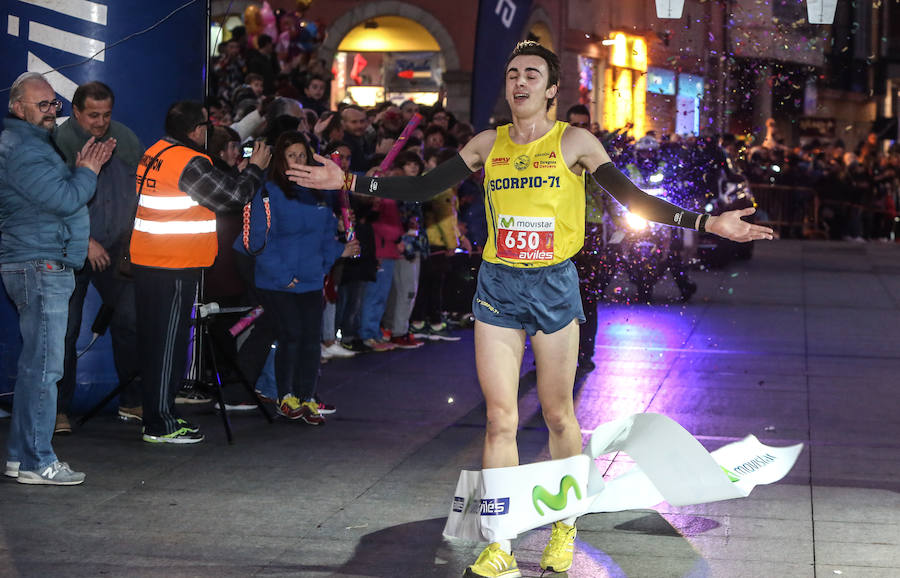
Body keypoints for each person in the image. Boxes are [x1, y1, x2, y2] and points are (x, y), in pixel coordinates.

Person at [287, 41, 773, 577]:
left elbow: (632, 200)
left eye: (531, 75)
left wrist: (708, 223)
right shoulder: (486, 144)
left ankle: (563, 523)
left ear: (551, 89)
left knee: (560, 414)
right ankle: (499, 541)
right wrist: (350, 180)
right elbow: (425, 185)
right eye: (513, 73)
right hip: (498, 285)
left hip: (553, 286)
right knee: (500, 420)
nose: (519, 82)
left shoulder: (576, 142)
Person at [130, 100, 271, 444]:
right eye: (207, 127)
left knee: (157, 343)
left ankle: (160, 415)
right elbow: (234, 197)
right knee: (168, 346)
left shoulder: (158, 150)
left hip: (151, 260)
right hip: (173, 264)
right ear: (197, 131)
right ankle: (160, 423)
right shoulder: (188, 162)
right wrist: (254, 168)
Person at [0, 72, 115, 484]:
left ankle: (20, 455)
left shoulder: (26, 145)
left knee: (37, 366)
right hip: (40, 263)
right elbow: (66, 198)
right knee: (45, 369)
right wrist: (86, 170)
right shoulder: (25, 150)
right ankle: (37, 460)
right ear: (18, 108)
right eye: (43, 104)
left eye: (54, 104)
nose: (53, 111)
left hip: (38, 259)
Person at [241, 131, 358, 424]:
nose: (297, 160)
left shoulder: (318, 192)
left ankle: (306, 395)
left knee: (309, 339)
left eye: (302, 155)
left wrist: (340, 250)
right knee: (290, 335)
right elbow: (257, 239)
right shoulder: (266, 190)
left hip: (311, 277)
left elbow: (324, 235)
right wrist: (283, 276)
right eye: (291, 155)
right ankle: (286, 395)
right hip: (278, 280)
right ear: (280, 159)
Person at [53, 81, 145, 430]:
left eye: (106, 115)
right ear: (75, 112)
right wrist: (84, 239)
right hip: (70, 248)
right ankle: (59, 409)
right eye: (93, 115)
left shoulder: (126, 140)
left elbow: (141, 190)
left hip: (118, 247)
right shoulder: (60, 142)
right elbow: (53, 201)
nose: (100, 122)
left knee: (131, 320)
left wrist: (132, 238)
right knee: (65, 329)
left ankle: (134, 401)